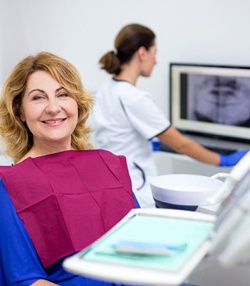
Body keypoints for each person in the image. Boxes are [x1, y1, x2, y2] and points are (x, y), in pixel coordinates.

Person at [0, 51, 138, 285]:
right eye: (38, 98)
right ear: (20, 111)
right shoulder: (10, 184)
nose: (53, 108)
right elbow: (25, 280)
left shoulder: (109, 163)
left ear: (77, 103)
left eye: (63, 94)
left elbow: (144, 244)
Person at [93, 23, 249, 208]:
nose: (156, 61)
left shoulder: (105, 88)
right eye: (155, 52)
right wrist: (222, 160)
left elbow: (116, 133)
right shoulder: (134, 98)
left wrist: (144, 143)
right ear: (142, 53)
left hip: (113, 182)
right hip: (136, 187)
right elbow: (182, 144)